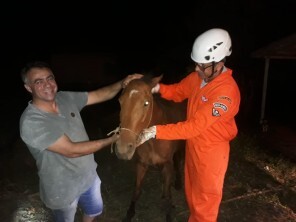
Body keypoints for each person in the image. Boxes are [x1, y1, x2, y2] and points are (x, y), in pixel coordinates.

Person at [137, 28, 241, 222]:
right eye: (197, 64)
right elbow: (178, 91)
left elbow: (194, 126)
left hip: (211, 152)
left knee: (206, 201)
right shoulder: (199, 78)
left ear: (218, 63)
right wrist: (157, 87)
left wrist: (155, 131)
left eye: (202, 66)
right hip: (193, 145)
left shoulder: (225, 93)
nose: (196, 69)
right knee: (192, 193)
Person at [19, 61, 142, 222]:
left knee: (94, 210)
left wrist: (122, 83)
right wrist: (111, 140)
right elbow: (72, 150)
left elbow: (100, 94)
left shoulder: (64, 98)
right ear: (29, 88)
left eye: (50, 78)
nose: (47, 85)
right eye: (38, 82)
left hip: (88, 176)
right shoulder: (32, 121)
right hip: (61, 188)